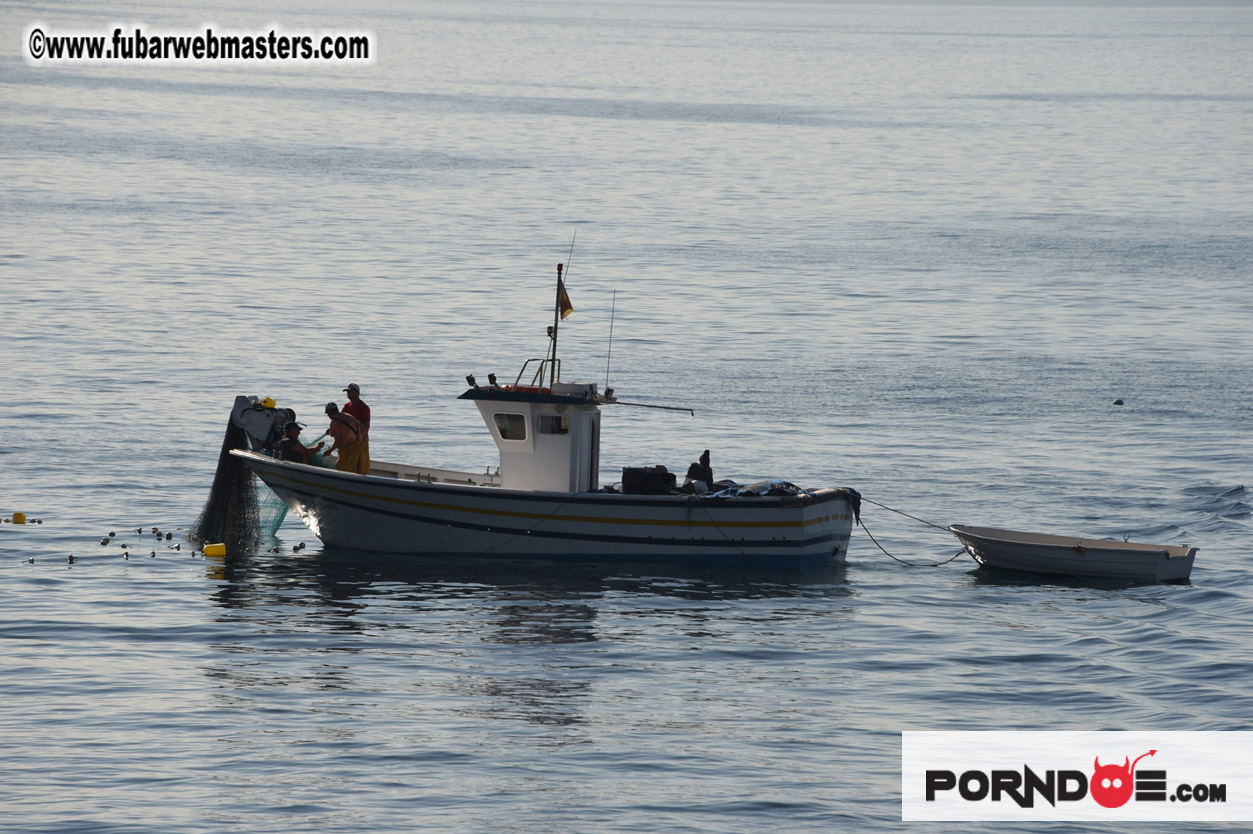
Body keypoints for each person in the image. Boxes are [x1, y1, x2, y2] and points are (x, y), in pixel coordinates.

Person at [324, 402, 369, 474]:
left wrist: (329, 450)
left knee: (343, 470)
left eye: (327, 413)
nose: (328, 416)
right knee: (359, 470)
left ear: (329, 412)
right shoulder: (348, 416)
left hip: (348, 450)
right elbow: (363, 430)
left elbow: (338, 441)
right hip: (360, 447)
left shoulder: (334, 422)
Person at [341, 382, 371, 474]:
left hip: (360, 439)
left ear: (357, 393)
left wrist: (360, 439)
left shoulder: (364, 407)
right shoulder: (347, 406)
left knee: (361, 463)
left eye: (350, 392)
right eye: (347, 392)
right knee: (348, 462)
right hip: (349, 439)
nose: (348, 394)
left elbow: (366, 426)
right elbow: (341, 420)